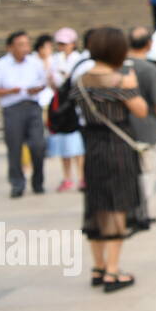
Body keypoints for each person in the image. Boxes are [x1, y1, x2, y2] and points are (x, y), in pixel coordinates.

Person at [72, 28, 151, 292]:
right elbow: (141, 111)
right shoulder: (119, 81)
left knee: (97, 204)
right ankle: (113, 271)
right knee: (117, 204)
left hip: (91, 146)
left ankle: (98, 266)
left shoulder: (81, 80)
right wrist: (131, 89)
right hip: (117, 146)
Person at [0, 31, 49, 197]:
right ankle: (17, 184)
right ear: (10, 47)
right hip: (12, 109)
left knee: (38, 145)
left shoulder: (34, 63)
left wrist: (37, 88)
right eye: (20, 45)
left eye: (26, 44)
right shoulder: (0, 65)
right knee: (14, 147)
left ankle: (38, 181)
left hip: (33, 106)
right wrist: (9, 91)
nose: (24, 48)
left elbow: (43, 83)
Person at [123, 26, 156, 207]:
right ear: (149, 44)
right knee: (146, 170)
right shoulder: (151, 69)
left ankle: (131, 207)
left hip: (123, 128)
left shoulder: (118, 67)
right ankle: (143, 209)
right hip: (147, 128)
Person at [46, 28, 88, 191]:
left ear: (73, 43)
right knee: (64, 144)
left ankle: (82, 176)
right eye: (60, 44)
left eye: (65, 43)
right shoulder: (55, 59)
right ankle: (67, 177)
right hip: (61, 102)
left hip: (75, 104)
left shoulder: (80, 59)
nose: (63, 47)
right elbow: (53, 83)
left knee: (77, 144)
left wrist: (65, 76)